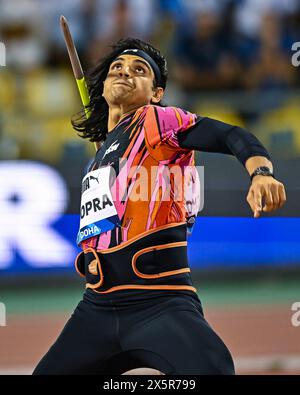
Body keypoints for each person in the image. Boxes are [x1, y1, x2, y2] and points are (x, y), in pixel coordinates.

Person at [33, 37, 286, 375]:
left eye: (139, 70)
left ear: (156, 93)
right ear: (104, 87)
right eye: (116, 69)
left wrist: (261, 173)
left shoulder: (157, 121)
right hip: (96, 307)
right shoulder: (103, 154)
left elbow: (230, 134)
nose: (124, 72)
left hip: (158, 303)